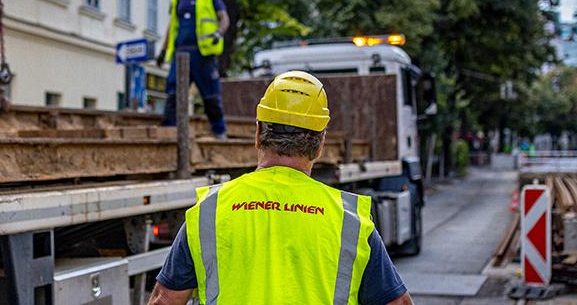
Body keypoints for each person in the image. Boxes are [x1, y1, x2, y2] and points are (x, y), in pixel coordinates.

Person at [149, 71, 413, 305]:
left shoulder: (210, 212)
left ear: (257, 135)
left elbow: (165, 300)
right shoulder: (349, 222)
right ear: (320, 145)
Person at [156, 0, 229, 140]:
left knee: (210, 95)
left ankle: (219, 132)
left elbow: (224, 18)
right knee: (173, 92)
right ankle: (169, 130)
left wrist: (218, 33)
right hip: (179, 54)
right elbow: (171, 26)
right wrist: (163, 50)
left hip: (202, 54)